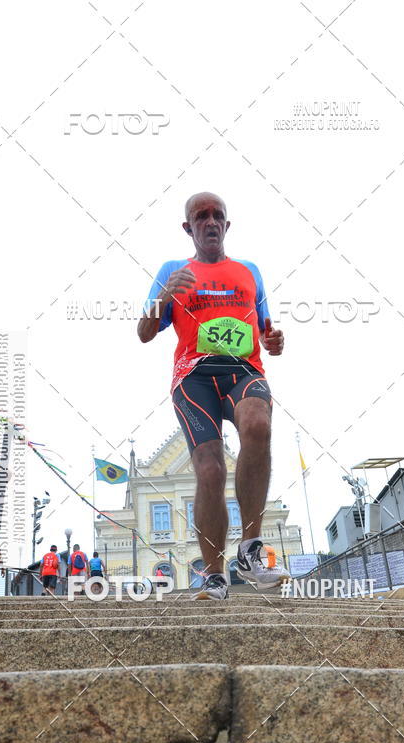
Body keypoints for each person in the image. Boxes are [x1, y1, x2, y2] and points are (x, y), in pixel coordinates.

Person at [138, 192, 290, 601]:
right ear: (188, 228)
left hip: (244, 369)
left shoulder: (248, 271)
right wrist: (165, 294)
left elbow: (265, 327)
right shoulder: (174, 270)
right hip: (194, 377)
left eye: (217, 216)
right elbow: (144, 332)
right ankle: (214, 574)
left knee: (258, 425)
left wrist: (273, 339)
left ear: (227, 224)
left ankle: (251, 547)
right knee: (209, 471)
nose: (209, 222)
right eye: (200, 217)